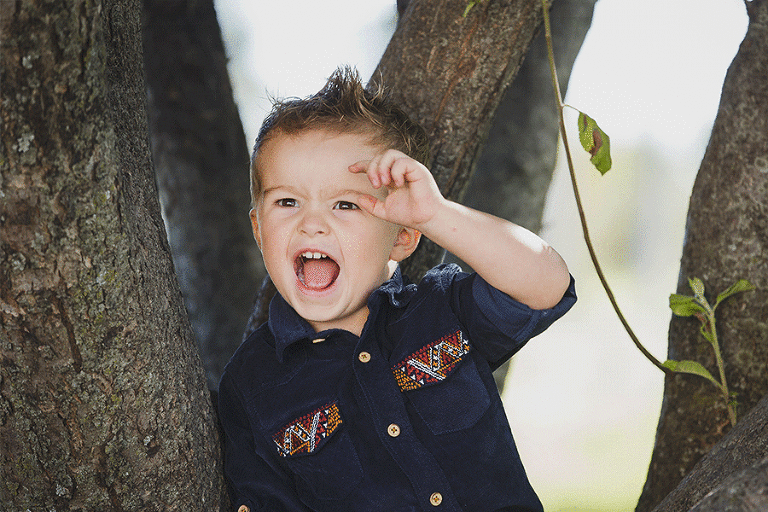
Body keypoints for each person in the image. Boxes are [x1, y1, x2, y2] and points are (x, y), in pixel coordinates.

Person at [218, 67, 576, 512]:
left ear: (404, 236)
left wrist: (436, 214)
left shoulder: (440, 311)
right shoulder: (252, 384)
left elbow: (546, 284)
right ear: (258, 227)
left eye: (345, 204)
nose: (312, 222)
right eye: (287, 202)